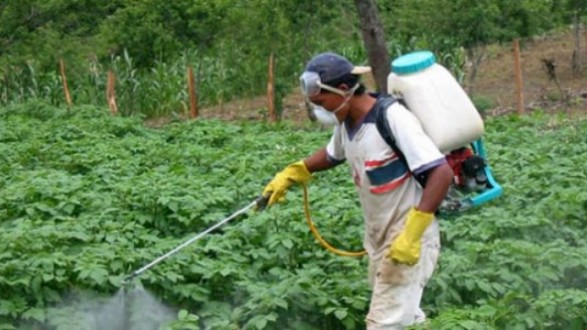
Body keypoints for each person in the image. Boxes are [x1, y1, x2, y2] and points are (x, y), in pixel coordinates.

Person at [261, 52, 453, 329]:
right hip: (378, 238)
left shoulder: (392, 118)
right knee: (406, 317)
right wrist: (295, 171)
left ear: (343, 90)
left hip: (408, 238)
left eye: (320, 102)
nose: (318, 110)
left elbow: (441, 172)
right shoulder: (347, 121)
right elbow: (332, 154)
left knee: (383, 323)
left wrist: (412, 235)